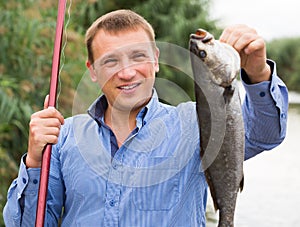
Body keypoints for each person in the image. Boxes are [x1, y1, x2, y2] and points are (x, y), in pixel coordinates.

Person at [3, 9, 288, 226]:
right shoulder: (63, 136)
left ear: (155, 59)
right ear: (92, 70)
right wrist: (35, 161)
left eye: (137, 56)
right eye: (111, 61)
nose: (126, 73)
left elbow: (265, 133)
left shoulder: (196, 122)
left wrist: (258, 73)